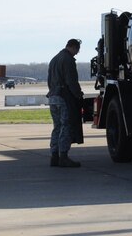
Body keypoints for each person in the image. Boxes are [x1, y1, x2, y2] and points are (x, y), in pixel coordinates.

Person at [47, 38, 84, 168]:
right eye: (77, 50)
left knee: (57, 127)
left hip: (53, 97)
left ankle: (54, 156)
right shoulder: (68, 60)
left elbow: (50, 80)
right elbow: (71, 81)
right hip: (64, 98)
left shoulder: (55, 59)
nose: (77, 53)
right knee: (66, 126)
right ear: (73, 47)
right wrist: (78, 95)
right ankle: (63, 156)